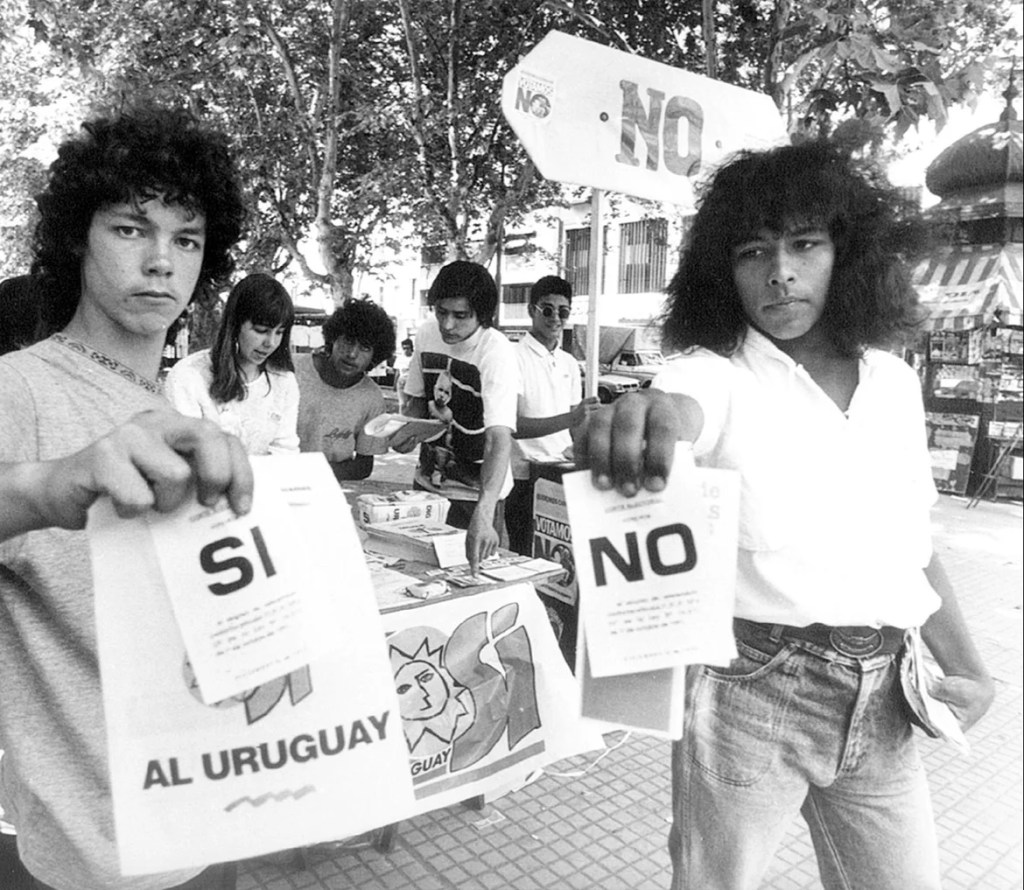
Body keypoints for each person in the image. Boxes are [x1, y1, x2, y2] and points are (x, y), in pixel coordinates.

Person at [575, 141, 995, 890]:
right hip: (751, 690)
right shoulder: (715, 373)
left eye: (805, 244)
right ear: (723, 272)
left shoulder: (894, 382)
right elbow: (681, 406)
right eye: (752, 252)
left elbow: (914, 543)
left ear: (849, 253)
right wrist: (650, 415)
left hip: (887, 696)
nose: (780, 272)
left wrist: (968, 667)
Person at [0, 104, 251, 890]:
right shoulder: (20, 387)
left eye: (187, 239)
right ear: (78, 238)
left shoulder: (173, 407)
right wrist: (50, 485)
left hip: (208, 821)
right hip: (83, 858)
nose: (161, 262)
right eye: (130, 228)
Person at [400, 261, 518, 573]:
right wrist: (403, 432)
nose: (448, 324)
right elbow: (416, 402)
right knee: (417, 578)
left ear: (482, 315)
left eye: (460, 315)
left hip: (476, 496)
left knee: (476, 579)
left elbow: (498, 439)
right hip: (427, 487)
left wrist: (484, 513)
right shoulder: (427, 333)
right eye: (441, 312)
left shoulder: (497, 352)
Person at [504, 275, 597, 556]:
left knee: (560, 555)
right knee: (524, 553)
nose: (555, 318)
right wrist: (571, 419)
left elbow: (576, 425)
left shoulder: (569, 362)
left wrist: (584, 449)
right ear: (531, 310)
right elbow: (511, 425)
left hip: (561, 473)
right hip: (524, 476)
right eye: (547, 310)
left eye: (563, 312)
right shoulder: (512, 357)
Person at [164, 272, 299, 455]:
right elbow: (184, 453)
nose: (271, 343)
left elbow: (285, 451)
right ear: (235, 325)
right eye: (261, 330)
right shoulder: (188, 376)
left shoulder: (283, 380)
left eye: (279, 332)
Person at [296, 297, 394, 481]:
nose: (352, 354)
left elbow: (363, 466)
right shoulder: (293, 371)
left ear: (375, 355)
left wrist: (310, 473)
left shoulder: (372, 398)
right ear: (333, 339)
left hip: (326, 488)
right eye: (348, 341)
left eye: (365, 348)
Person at [393, 337, 414, 412]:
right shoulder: (400, 358)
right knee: (402, 403)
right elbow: (397, 372)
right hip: (402, 381)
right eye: (404, 348)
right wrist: (394, 384)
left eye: (408, 348)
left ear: (411, 348)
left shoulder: (414, 358)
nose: (406, 350)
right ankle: (401, 416)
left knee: (411, 404)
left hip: (412, 381)